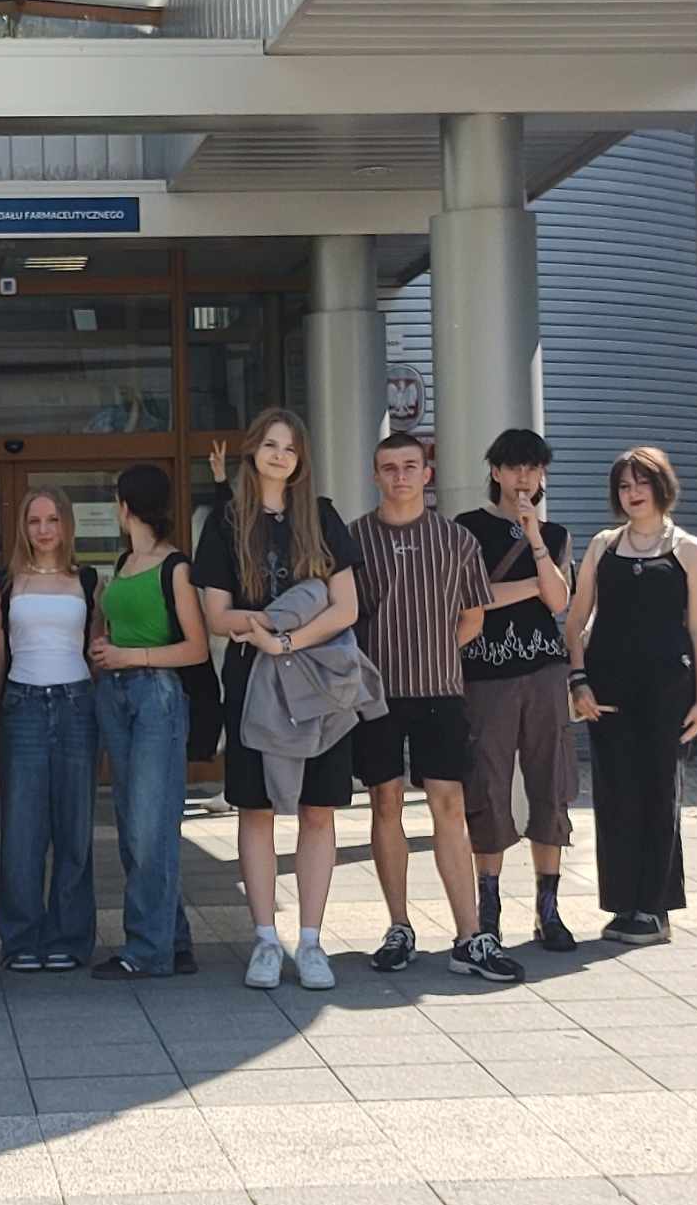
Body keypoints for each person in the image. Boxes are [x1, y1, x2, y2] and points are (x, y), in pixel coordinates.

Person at [194, 408, 361, 991]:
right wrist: (266, 628)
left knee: (318, 809)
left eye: (290, 448)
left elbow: (346, 607)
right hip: (252, 682)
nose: (280, 455)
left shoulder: (322, 516)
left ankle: (311, 942)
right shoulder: (226, 522)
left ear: (301, 459)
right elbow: (216, 616)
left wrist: (283, 638)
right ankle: (266, 939)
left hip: (319, 679)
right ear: (252, 451)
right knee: (256, 808)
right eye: (270, 444)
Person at [349, 434, 523, 984]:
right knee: (385, 802)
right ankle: (398, 927)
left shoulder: (456, 539)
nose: (399, 476)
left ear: (427, 474)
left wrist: (434, 652)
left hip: (440, 691)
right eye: (388, 468)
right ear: (375, 475)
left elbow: (473, 616)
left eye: (409, 466)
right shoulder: (353, 539)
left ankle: (468, 936)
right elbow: (346, 616)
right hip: (376, 694)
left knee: (449, 805)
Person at [565, 446, 697, 946]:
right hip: (607, 688)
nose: (633, 493)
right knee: (615, 794)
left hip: (667, 689)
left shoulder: (689, 550)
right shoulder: (603, 546)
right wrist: (578, 680)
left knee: (659, 792)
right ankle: (623, 903)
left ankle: (655, 909)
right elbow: (575, 620)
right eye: (624, 486)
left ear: (661, 486)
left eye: (641, 483)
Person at [455, 429, 579, 952]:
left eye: (532, 467)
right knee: (487, 785)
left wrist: (534, 539)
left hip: (545, 670)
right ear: (496, 472)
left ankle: (548, 909)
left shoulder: (555, 534)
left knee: (552, 780)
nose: (523, 477)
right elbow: (471, 597)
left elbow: (560, 602)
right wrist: (532, 585)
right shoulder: (467, 528)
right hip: (485, 673)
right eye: (513, 467)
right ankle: (488, 909)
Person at [86, 464, 209, 978]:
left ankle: (147, 950)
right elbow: (114, 625)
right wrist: (103, 641)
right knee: (134, 820)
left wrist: (129, 657)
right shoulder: (124, 562)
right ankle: (173, 940)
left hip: (156, 695)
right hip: (116, 694)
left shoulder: (174, 567)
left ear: (124, 505)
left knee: (149, 826)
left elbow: (196, 648)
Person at [0, 487, 99, 973]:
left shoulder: (88, 580)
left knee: (75, 827)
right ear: (23, 528)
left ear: (67, 524)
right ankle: (21, 937)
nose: (44, 529)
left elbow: (97, 648)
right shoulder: (4, 582)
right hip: (23, 705)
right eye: (34, 521)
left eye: (52, 519)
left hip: (77, 704)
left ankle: (70, 937)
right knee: (22, 828)